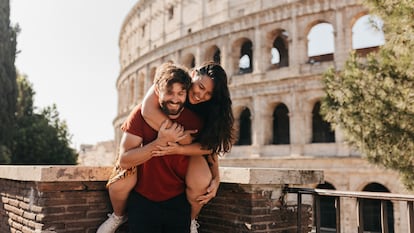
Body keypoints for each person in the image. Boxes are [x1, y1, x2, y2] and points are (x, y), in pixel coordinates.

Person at [97, 61, 234, 233]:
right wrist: (168, 137)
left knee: (201, 182)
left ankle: (192, 220)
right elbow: (147, 110)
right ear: (192, 75)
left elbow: (210, 147)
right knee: (123, 179)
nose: (201, 95)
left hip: (178, 183)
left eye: (208, 94)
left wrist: (215, 176)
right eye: (200, 86)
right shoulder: (164, 86)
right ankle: (118, 215)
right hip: (145, 191)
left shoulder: (205, 112)